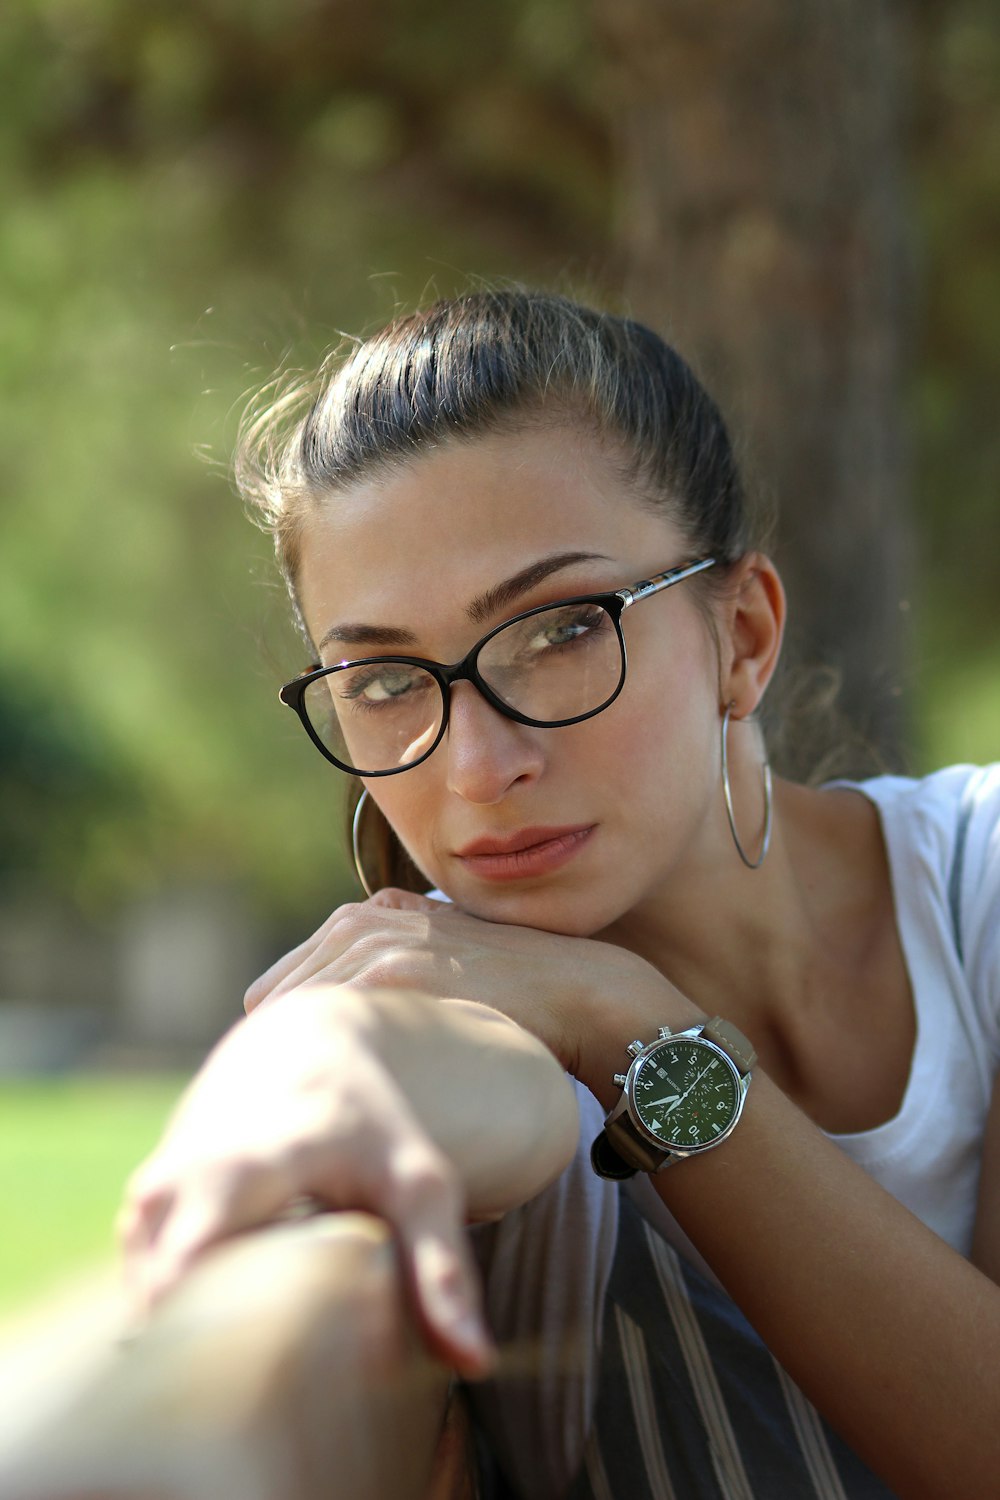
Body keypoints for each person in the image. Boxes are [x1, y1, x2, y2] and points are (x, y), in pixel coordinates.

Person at [119, 290, 1000, 1499]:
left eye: (558, 630)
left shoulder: (981, 879)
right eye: (382, 679)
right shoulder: (455, 1029)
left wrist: (635, 1025)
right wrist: (273, 1100)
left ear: (740, 635)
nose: (477, 766)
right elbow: (347, 1060)